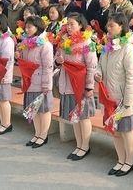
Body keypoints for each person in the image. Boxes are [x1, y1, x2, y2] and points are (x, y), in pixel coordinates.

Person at [96, 13, 133, 176]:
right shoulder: (107, 46)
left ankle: (130, 161)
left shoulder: (128, 47)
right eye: (108, 25)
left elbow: (132, 76)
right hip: (109, 96)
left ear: (121, 27)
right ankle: (121, 160)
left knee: (126, 131)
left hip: (123, 98)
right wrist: (98, 73)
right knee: (115, 131)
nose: (108, 28)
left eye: (112, 25)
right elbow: (100, 65)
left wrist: (127, 100)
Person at [54, 13, 98, 160]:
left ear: (80, 25)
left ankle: (85, 146)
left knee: (83, 117)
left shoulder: (87, 42)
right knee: (74, 116)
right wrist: (58, 61)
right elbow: (58, 57)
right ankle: (78, 145)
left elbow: (92, 66)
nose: (69, 27)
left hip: (81, 84)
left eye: (72, 24)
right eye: (68, 24)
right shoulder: (64, 40)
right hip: (67, 82)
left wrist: (89, 87)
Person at [16, 16, 54, 148]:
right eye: (26, 27)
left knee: (43, 110)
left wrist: (46, 85)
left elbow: (48, 67)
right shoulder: (26, 43)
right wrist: (19, 55)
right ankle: (37, 133)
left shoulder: (46, 45)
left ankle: (43, 135)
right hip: (30, 81)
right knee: (34, 110)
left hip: (40, 82)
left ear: (37, 27)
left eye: (30, 27)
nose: (27, 29)